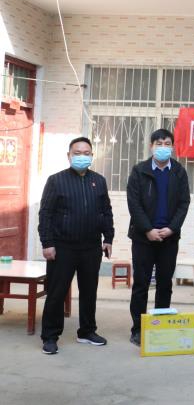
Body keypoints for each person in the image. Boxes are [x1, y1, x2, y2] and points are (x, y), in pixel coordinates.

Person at [38, 137, 114, 355]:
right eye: (77, 153)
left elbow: (106, 211)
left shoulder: (98, 181)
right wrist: (47, 243)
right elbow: (45, 214)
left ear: (92, 156)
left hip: (91, 247)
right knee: (56, 292)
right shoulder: (56, 180)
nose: (82, 156)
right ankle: (50, 336)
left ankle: (87, 331)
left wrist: (108, 238)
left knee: (89, 291)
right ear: (69, 155)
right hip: (63, 247)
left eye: (86, 153)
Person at [127, 128, 190, 346]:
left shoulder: (179, 172)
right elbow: (134, 203)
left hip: (169, 238)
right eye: (159, 143)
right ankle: (138, 328)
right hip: (143, 238)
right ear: (151, 146)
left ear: (172, 147)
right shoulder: (139, 171)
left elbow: (184, 203)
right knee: (141, 284)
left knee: (165, 284)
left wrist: (172, 228)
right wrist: (147, 229)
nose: (163, 147)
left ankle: (160, 325)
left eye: (167, 144)